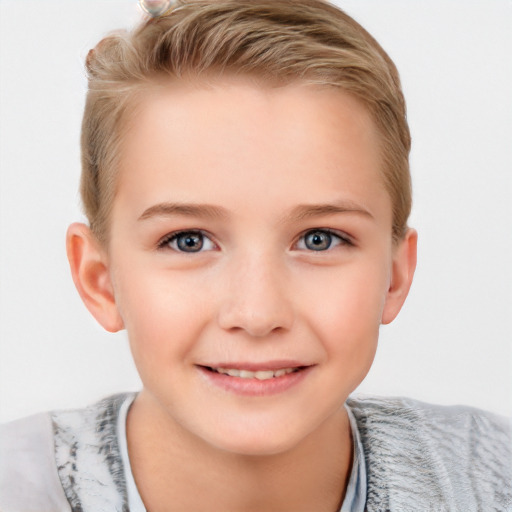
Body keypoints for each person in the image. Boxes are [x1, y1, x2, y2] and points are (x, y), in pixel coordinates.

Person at [1, 1, 510, 510]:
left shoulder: (492, 480)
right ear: (100, 280)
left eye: (320, 239)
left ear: (395, 276)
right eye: (188, 241)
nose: (258, 314)